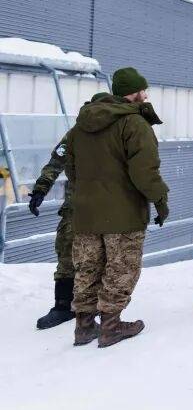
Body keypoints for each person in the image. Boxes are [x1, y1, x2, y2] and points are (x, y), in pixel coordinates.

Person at [68, 67, 169, 347]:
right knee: (121, 267)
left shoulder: (81, 125)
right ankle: (111, 326)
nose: (145, 95)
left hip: (86, 213)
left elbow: (71, 168)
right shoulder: (133, 123)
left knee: (87, 268)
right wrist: (160, 200)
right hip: (123, 213)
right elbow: (145, 171)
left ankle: (83, 326)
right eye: (142, 90)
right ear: (133, 93)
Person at [28, 92, 110, 329]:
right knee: (66, 252)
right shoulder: (76, 134)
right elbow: (56, 162)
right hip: (76, 207)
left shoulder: (120, 133)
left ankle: (101, 306)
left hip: (109, 208)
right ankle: (63, 306)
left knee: (105, 257)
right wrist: (40, 189)